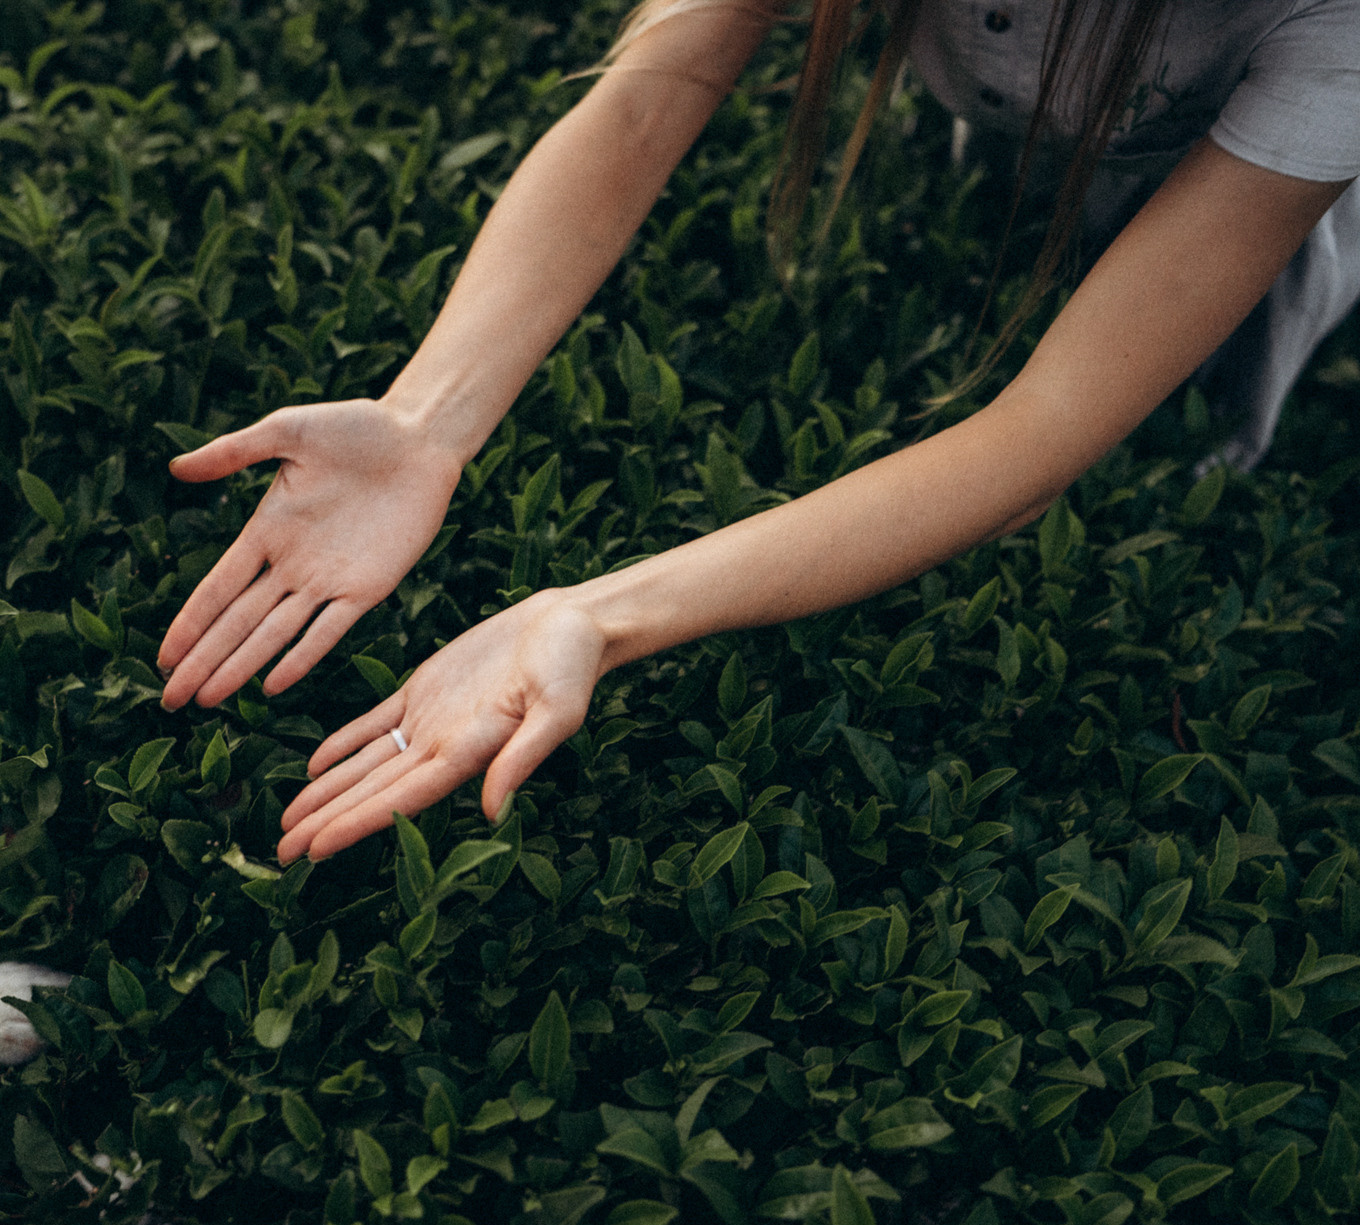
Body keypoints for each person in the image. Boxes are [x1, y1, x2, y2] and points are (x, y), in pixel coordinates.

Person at [153, 0, 1360, 862]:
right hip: (1049, 118)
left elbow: (1033, 442)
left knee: (1163, 423)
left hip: (1270, 192)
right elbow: (642, 103)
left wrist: (596, 613)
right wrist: (425, 418)